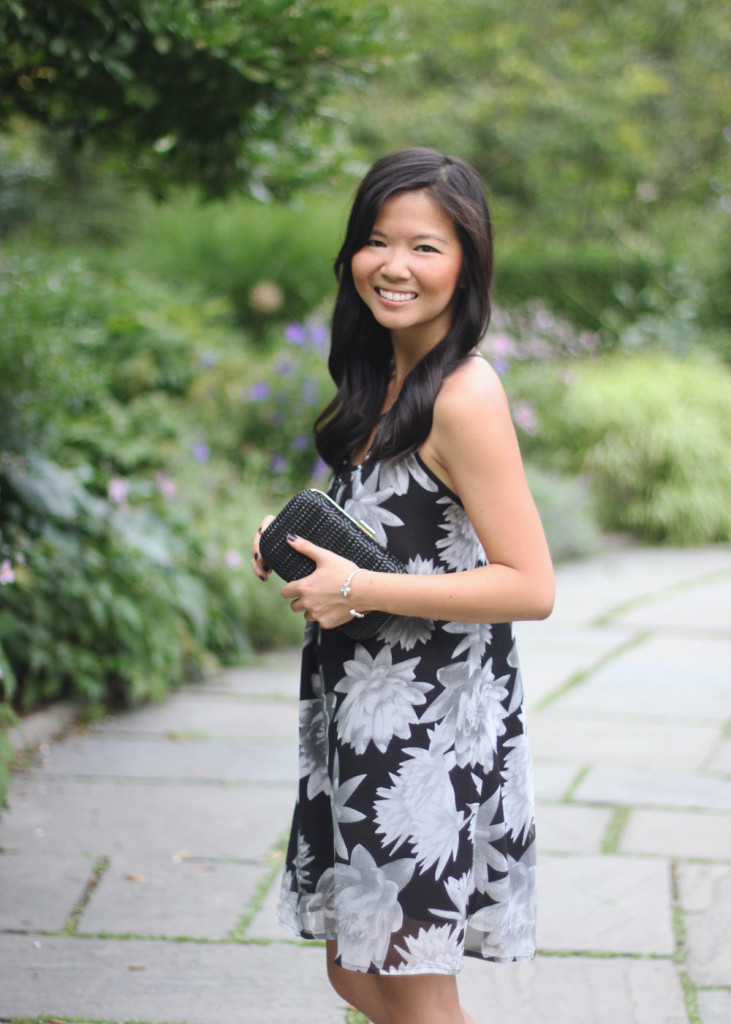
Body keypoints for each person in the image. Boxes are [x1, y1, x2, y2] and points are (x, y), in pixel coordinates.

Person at [251, 147, 554, 1024]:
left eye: (425, 247)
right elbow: (403, 529)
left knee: (410, 987)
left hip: (429, 733)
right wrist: (301, 544)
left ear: (466, 265)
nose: (393, 266)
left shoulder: (463, 394)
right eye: (377, 242)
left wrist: (361, 592)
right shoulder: (381, 376)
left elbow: (529, 585)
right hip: (364, 718)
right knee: (358, 973)